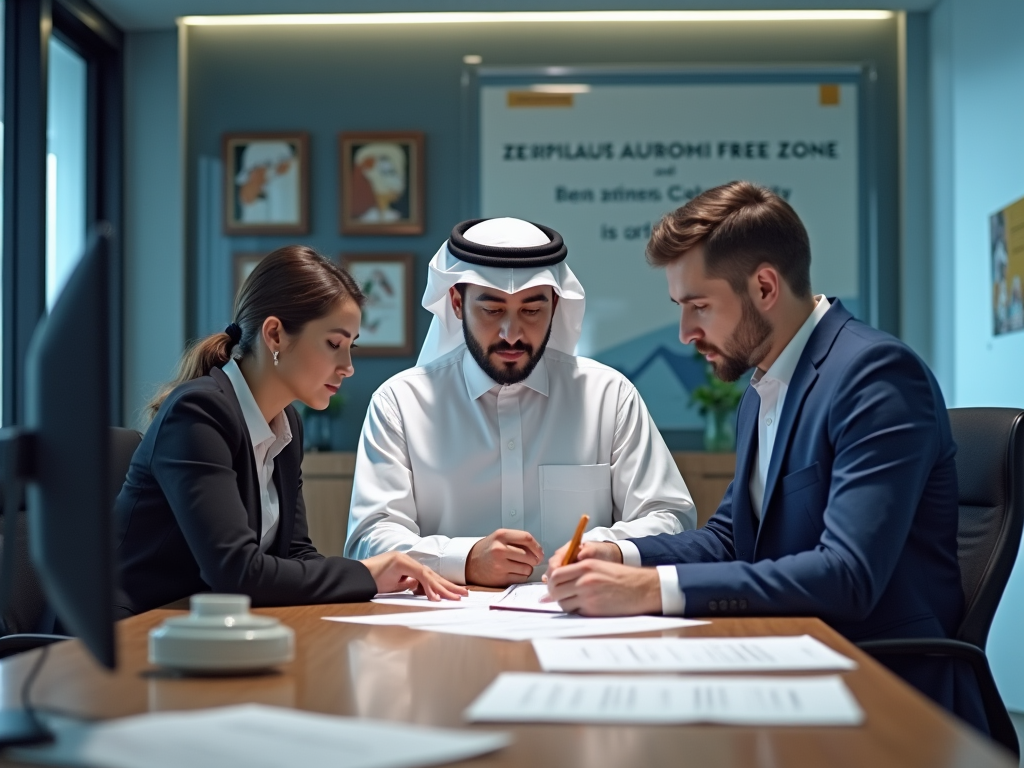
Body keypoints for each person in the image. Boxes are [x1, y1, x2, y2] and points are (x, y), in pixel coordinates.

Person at [543, 181, 986, 732]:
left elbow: (847, 575)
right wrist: (622, 555)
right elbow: (731, 537)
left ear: (765, 286)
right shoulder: (764, 388)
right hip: (796, 659)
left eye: (699, 305)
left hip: (886, 686)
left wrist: (654, 590)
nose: (685, 332)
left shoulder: (875, 377)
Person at [114, 246, 465, 617]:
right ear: (275, 335)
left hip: (203, 627)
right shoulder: (198, 413)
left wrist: (367, 580)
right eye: (334, 344)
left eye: (351, 347)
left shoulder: (287, 425)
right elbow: (236, 573)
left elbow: (296, 554)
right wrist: (366, 573)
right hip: (128, 633)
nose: (347, 367)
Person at [345, 217, 695, 587]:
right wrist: (464, 561)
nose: (511, 334)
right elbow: (370, 541)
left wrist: (609, 549)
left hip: (577, 624)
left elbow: (670, 518)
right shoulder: (400, 403)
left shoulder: (609, 397)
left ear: (556, 304)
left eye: (531, 311)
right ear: (456, 302)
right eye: (492, 310)